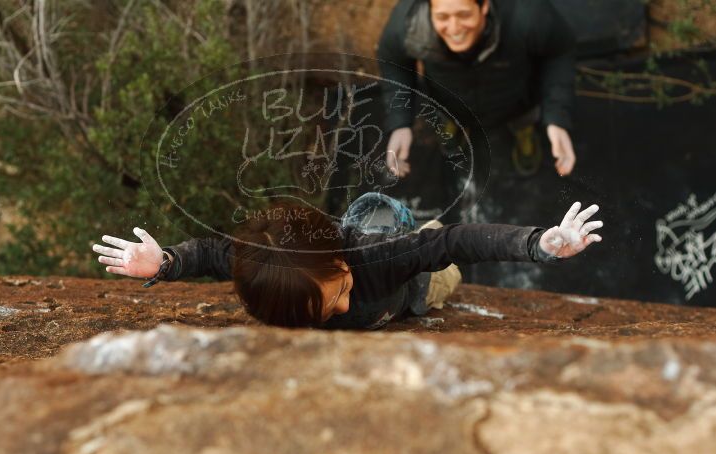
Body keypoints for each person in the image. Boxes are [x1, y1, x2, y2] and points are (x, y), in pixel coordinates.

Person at [92, 196, 602, 329]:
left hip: (410, 286)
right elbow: (207, 251)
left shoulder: (372, 263)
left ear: (340, 265)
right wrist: (163, 263)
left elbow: (455, 241)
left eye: (336, 294)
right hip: (341, 246)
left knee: (437, 263)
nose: (337, 310)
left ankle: (402, 224)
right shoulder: (267, 271)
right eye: (322, 311)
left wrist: (537, 244)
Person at [378, 0, 577, 177]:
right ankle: (455, 130)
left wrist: (557, 117)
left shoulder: (528, 15)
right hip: (447, 100)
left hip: (517, 101)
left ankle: (524, 134)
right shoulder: (408, 24)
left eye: (464, 15)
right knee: (448, 117)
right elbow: (394, 65)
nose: (454, 29)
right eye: (442, 17)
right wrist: (400, 122)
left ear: (484, 6)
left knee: (524, 120)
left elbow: (559, 51)